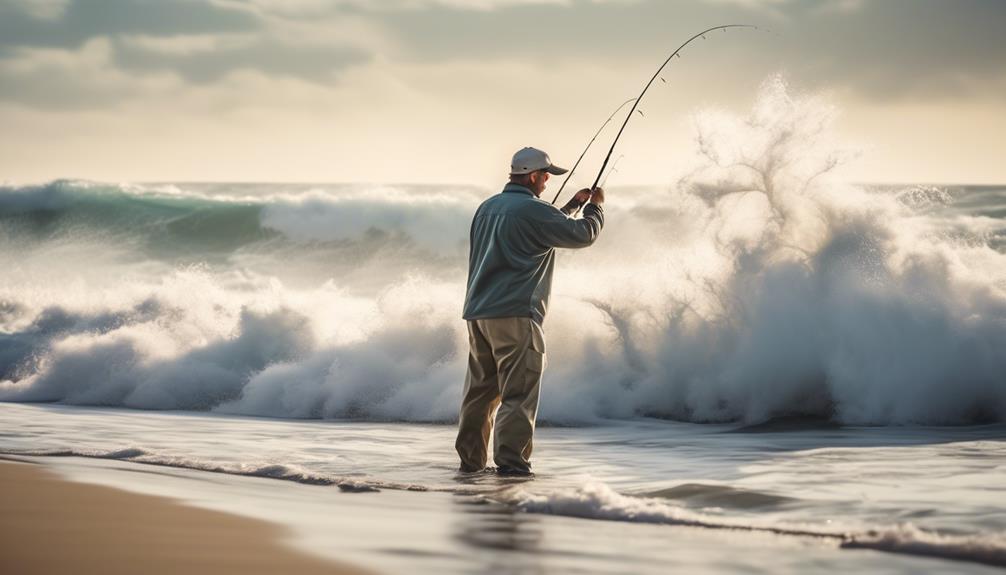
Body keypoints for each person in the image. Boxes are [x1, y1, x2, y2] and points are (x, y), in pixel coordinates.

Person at [456, 146, 605, 476]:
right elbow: (582, 235)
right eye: (547, 177)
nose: (548, 183)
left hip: (478, 315)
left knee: (479, 396)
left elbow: (539, 227)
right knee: (518, 395)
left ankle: (470, 467)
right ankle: (512, 468)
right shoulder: (535, 212)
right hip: (516, 315)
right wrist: (594, 209)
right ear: (535, 176)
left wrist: (574, 204)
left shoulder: (487, 208)